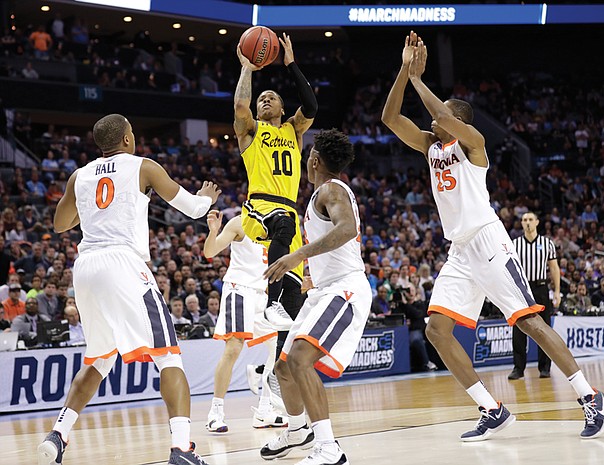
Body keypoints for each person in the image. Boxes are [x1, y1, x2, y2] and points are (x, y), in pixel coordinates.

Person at [381, 31, 604, 441]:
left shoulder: (475, 145)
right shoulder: (430, 148)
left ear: (459, 122)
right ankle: (492, 408)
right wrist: (404, 71)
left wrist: (421, 81)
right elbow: (390, 119)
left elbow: (442, 119)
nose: (433, 122)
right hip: (460, 251)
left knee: (530, 324)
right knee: (437, 330)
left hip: (489, 242)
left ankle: (591, 396)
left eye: (443, 117)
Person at [38, 113, 220, 465]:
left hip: (86, 269)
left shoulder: (80, 175)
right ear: (125, 139)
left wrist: (89, 210)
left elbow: (60, 224)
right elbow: (193, 209)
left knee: (99, 360)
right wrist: (207, 197)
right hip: (123, 265)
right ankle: (182, 449)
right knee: (169, 356)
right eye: (132, 133)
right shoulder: (143, 166)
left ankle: (58, 433)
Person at [261, 129, 371, 465]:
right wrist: (313, 278)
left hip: (345, 289)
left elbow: (347, 229)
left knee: (300, 360)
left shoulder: (331, 189)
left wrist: (297, 256)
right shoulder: (324, 193)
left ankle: (328, 448)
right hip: (326, 288)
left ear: (314, 160)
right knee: (283, 368)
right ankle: (297, 431)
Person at [233, 32, 317, 336]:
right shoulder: (250, 131)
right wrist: (247, 69)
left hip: (289, 214)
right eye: (261, 99)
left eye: (272, 98)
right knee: (283, 223)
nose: (265, 99)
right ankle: (270, 303)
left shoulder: (293, 130)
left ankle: (275, 371)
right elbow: (240, 109)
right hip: (259, 206)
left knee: (293, 297)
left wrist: (291, 64)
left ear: (282, 109)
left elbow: (311, 107)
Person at [202, 211, 287, 433]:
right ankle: (215, 413)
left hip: (263, 294)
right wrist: (213, 232)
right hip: (239, 290)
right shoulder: (239, 222)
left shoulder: (276, 227)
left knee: (279, 349)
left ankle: (265, 410)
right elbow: (210, 251)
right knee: (233, 348)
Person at [509, 212, 560, 380]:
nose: (528, 222)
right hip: (522, 289)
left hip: (541, 287)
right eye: (524, 220)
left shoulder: (547, 243)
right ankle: (518, 368)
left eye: (530, 219)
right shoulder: (514, 244)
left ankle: (544, 367)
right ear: (521, 224)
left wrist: (557, 291)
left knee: (544, 328)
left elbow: (554, 268)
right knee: (518, 330)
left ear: (537, 222)